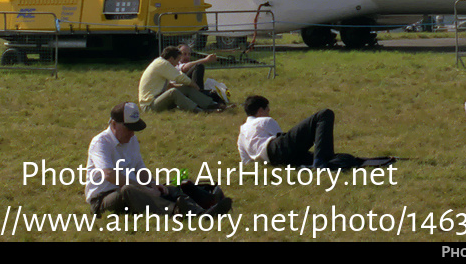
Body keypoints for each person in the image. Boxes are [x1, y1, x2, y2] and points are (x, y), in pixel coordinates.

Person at [85, 102, 230, 217]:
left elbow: (140, 168)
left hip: (133, 188)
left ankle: (206, 204)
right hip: (103, 199)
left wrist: (153, 184)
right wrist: (144, 189)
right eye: (129, 129)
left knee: (168, 189)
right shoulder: (100, 143)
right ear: (114, 124)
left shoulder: (132, 140)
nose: (132, 133)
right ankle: (180, 212)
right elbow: (109, 175)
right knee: (128, 190)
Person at [238, 95, 339, 168]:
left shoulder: (241, 134)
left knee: (335, 159)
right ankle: (321, 162)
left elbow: (246, 162)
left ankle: (326, 161)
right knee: (324, 114)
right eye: (267, 111)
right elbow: (282, 140)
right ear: (260, 111)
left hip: (275, 161)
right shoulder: (264, 121)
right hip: (277, 149)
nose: (268, 114)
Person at [138, 46, 218, 113]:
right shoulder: (163, 64)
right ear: (171, 59)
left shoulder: (160, 63)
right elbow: (179, 77)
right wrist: (193, 84)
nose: (177, 63)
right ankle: (199, 111)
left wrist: (185, 87)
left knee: (185, 88)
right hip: (149, 106)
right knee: (173, 92)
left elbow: (168, 85)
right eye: (177, 60)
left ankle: (212, 104)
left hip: (157, 99)